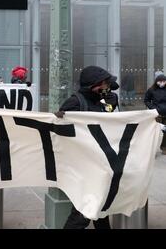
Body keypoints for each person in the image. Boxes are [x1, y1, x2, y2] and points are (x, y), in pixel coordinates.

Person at [56, 65, 116, 229]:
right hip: (84, 165)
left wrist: (106, 91)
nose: (107, 87)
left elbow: (110, 107)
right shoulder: (75, 102)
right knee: (84, 211)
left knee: (100, 208)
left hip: (101, 162)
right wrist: (61, 117)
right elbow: (61, 131)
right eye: (104, 83)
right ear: (93, 85)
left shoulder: (103, 98)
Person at [144, 73, 166, 154]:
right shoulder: (151, 90)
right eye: (160, 81)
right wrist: (153, 108)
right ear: (156, 81)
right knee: (155, 132)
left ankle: (164, 148)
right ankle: (153, 149)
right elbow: (146, 100)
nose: (162, 83)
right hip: (157, 114)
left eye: (164, 81)